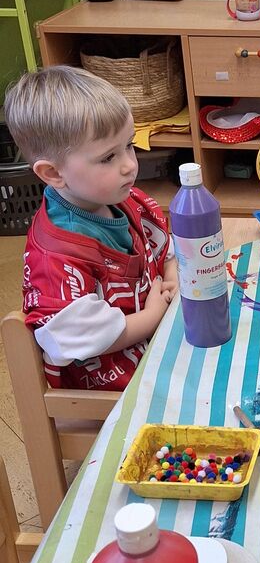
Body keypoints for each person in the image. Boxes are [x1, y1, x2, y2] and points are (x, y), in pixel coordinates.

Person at [4, 65, 177, 391]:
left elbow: (164, 248)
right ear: (53, 173)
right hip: (111, 388)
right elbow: (88, 338)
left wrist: (172, 276)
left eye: (129, 145)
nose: (130, 165)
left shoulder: (120, 197)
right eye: (108, 157)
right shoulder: (56, 259)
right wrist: (154, 315)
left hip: (157, 342)